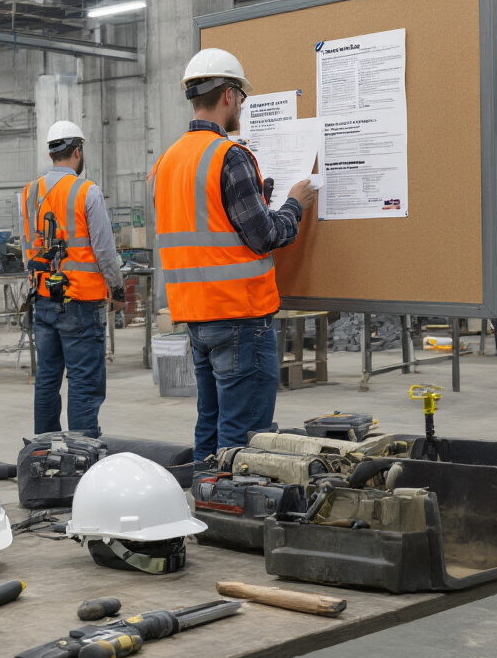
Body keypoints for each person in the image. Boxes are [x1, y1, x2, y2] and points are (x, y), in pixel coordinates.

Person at [150, 49, 317, 463]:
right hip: (239, 316)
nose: (242, 104)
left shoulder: (165, 163)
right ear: (228, 95)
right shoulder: (230, 156)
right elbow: (264, 237)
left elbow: (207, 227)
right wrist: (294, 205)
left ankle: (207, 500)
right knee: (244, 436)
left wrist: (258, 201)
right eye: (240, 96)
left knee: (210, 422)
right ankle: (232, 514)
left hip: (197, 316)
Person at [21, 121, 125, 438]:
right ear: (77, 152)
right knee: (83, 379)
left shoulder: (30, 192)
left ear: (52, 153)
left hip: (44, 298)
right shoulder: (86, 191)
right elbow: (104, 250)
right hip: (80, 302)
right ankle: (82, 452)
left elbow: (29, 248)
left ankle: (44, 450)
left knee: (48, 377)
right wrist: (117, 289)